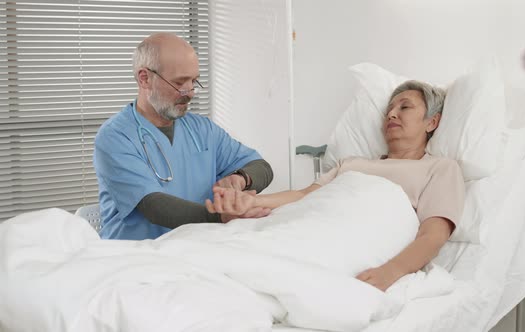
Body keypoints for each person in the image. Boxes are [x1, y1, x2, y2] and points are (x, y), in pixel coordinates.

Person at [205, 80, 465, 291]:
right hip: (312, 227)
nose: (392, 114)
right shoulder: (351, 164)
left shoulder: (440, 168)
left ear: (432, 122)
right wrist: (252, 202)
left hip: (355, 240)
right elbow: (304, 197)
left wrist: (391, 272)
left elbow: (433, 235)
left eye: (405, 107)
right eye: (389, 109)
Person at [93, 32, 273, 240]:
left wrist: (241, 179)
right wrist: (220, 217)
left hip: (194, 247)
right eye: (179, 83)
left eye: (194, 81)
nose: (190, 92)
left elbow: (262, 167)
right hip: (136, 255)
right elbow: (154, 205)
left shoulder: (201, 129)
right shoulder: (115, 137)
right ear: (145, 79)